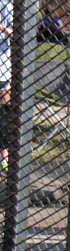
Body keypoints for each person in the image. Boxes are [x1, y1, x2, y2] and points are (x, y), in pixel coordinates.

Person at [0, 0, 11, 172]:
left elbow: (21, 34)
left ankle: (4, 155)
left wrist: (2, 28)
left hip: (2, 67)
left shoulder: (7, 5)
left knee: (4, 112)